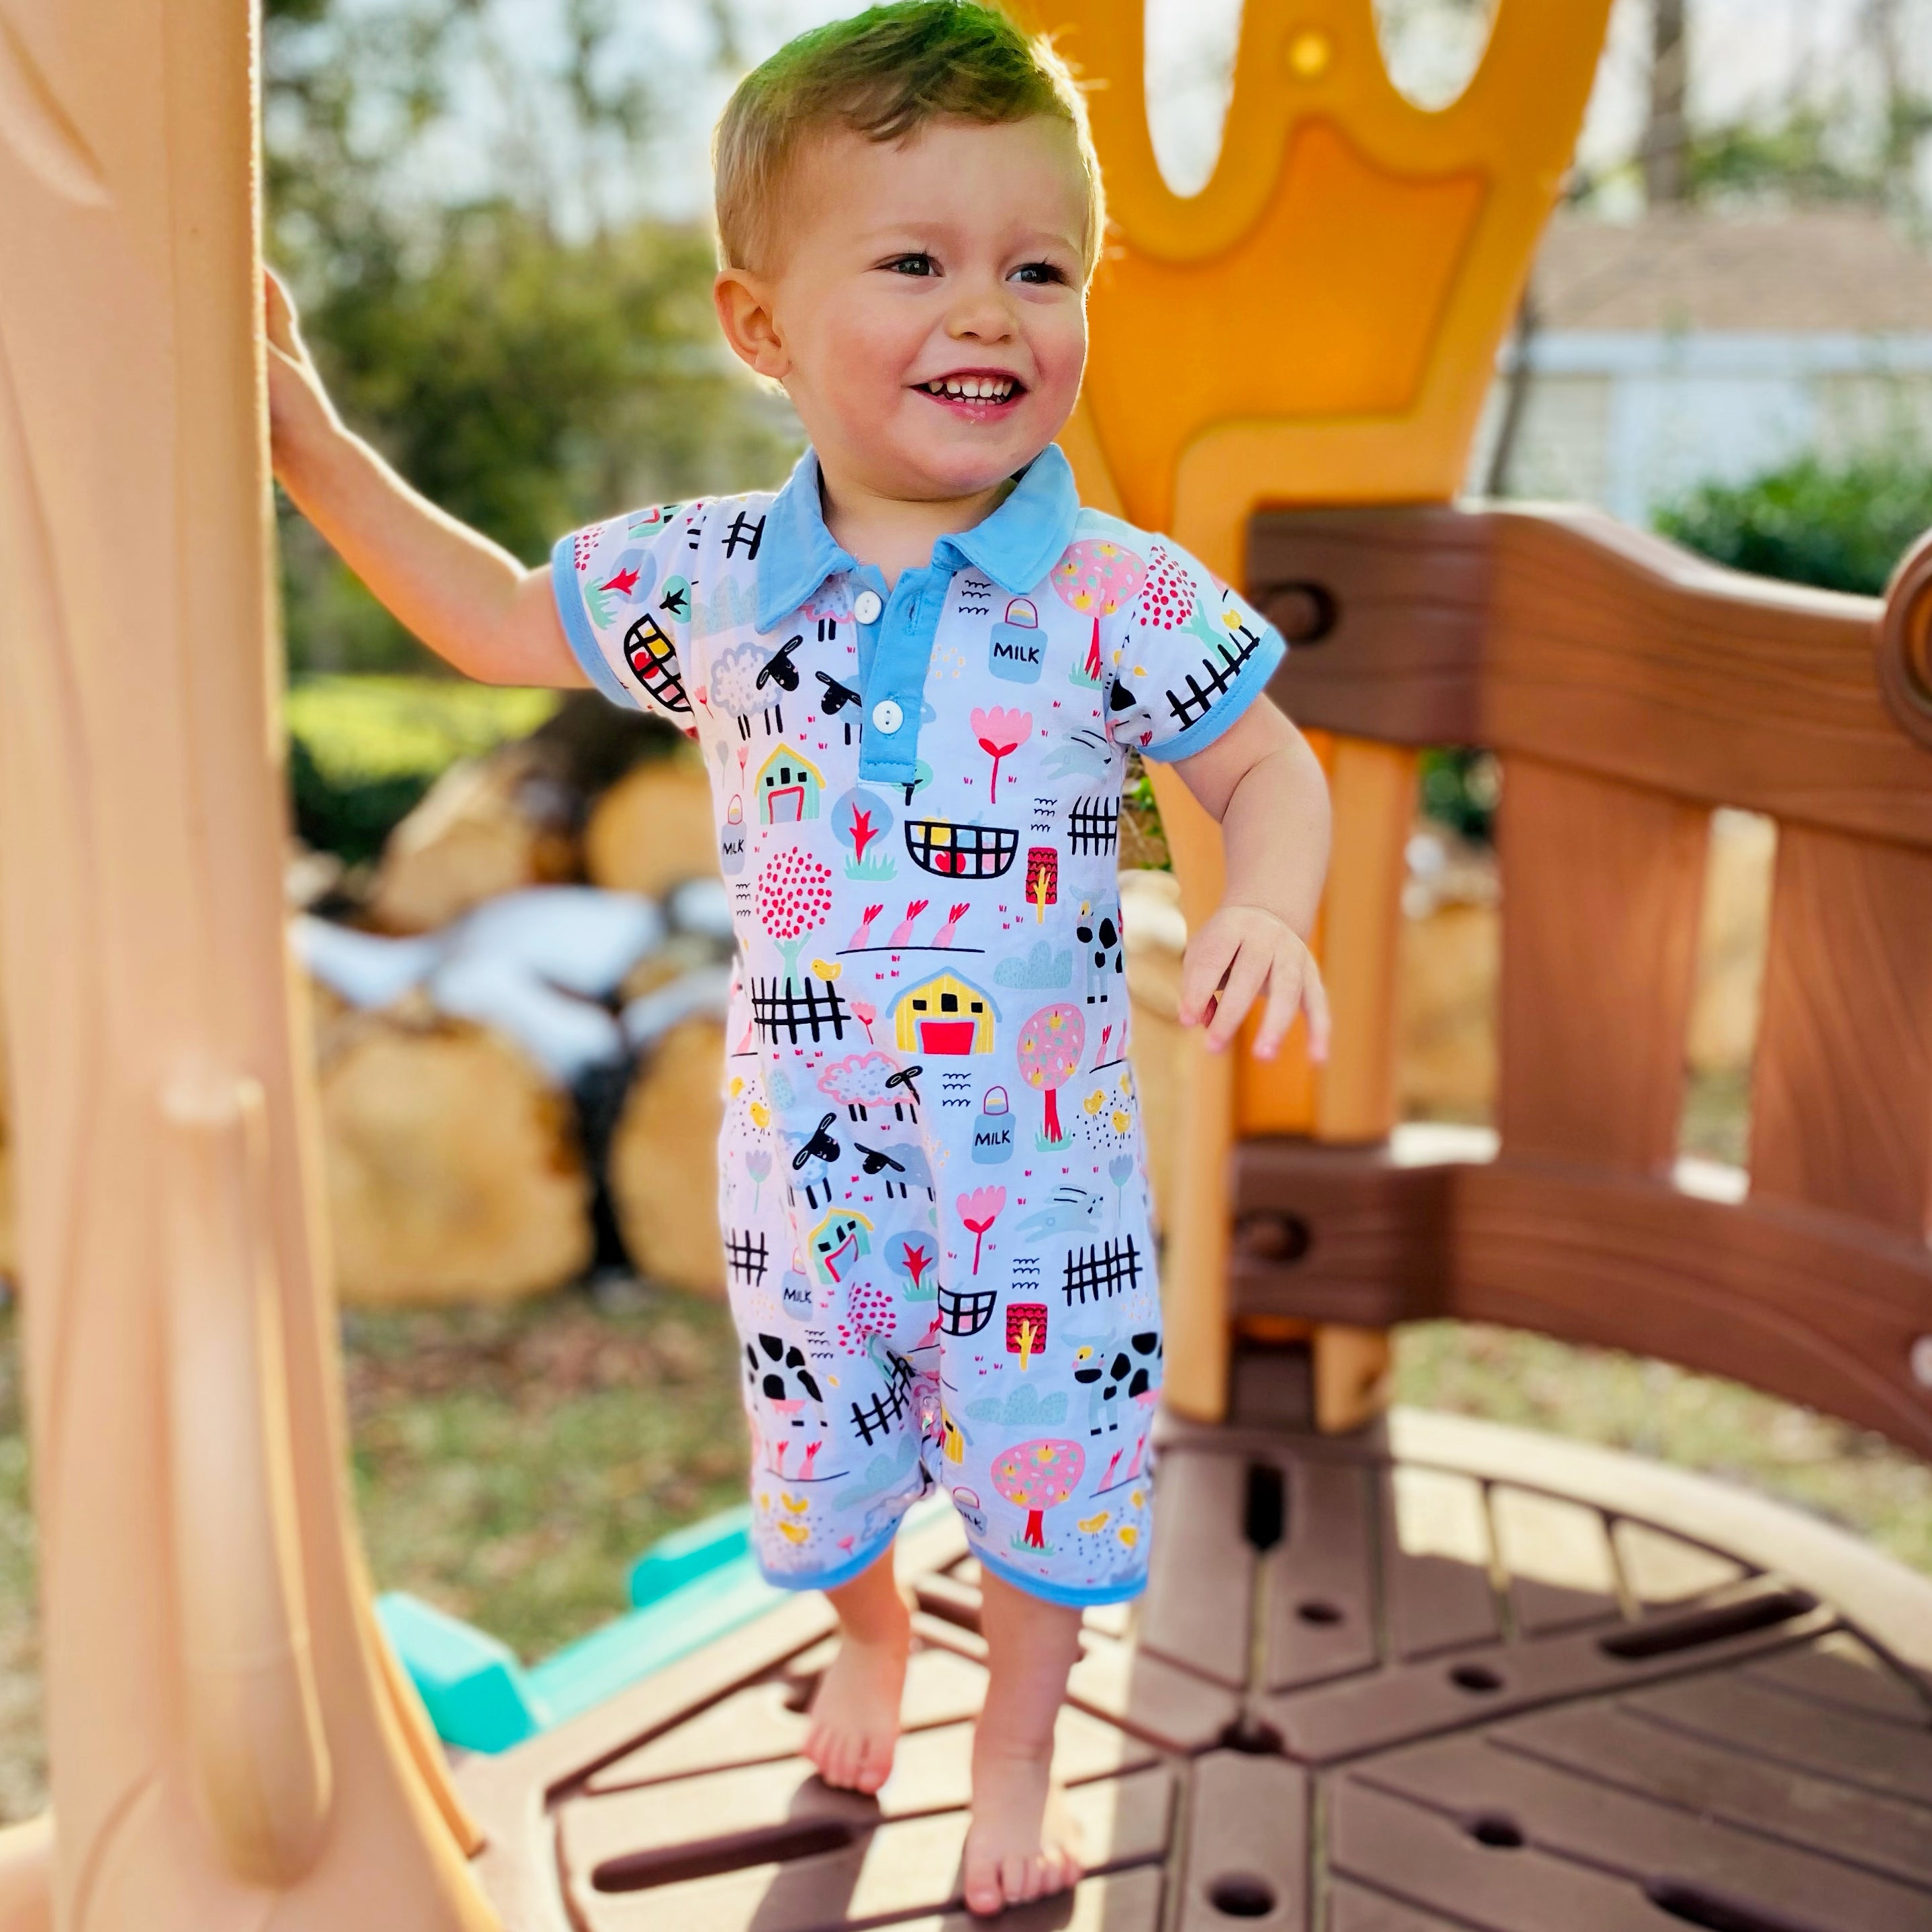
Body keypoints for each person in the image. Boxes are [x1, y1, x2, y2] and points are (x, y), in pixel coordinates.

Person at [267, 0, 1331, 1913]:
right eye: (916, 262)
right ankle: (868, 1631)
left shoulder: (1114, 593)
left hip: (1041, 1186)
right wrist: (314, 445)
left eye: (1038, 267)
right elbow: (501, 620)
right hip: (805, 1171)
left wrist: (1266, 892)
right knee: (819, 1462)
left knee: (1041, 1482)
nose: (990, 312)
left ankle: (1016, 1743)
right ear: (759, 327)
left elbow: (1265, 761)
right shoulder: (717, 581)